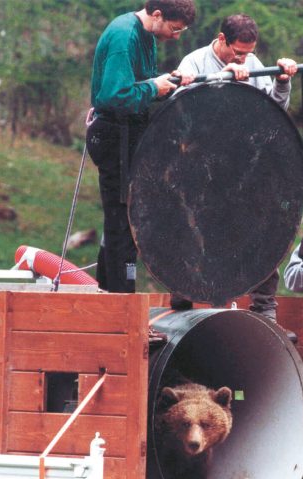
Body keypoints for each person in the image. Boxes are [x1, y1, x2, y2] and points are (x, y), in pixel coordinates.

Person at [169, 13, 299, 325]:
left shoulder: (253, 63)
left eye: (248, 53)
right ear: (222, 39)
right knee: (198, 227)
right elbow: (179, 104)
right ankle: (184, 294)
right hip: (203, 163)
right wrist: (223, 79)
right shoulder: (195, 62)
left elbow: (274, 107)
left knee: (263, 227)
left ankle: (264, 304)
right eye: (237, 52)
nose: (243, 58)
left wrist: (283, 81)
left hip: (245, 164)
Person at [87, 0, 196, 293]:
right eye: (175, 29)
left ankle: (108, 295)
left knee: (123, 219)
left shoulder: (146, 35)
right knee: (123, 222)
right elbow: (114, 95)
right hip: (114, 136)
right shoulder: (125, 35)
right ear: (157, 15)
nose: (176, 36)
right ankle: (122, 306)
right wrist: (152, 87)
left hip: (131, 133)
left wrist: (169, 81)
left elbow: (140, 84)